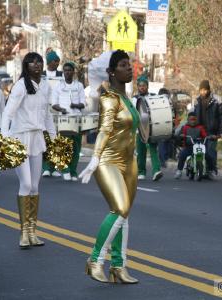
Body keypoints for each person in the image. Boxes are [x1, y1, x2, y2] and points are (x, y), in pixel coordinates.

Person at [79, 50, 139, 284]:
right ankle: (94, 261)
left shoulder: (127, 98)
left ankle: (118, 267)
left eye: (129, 64)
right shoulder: (109, 98)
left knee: (124, 215)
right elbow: (104, 130)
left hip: (129, 163)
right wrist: (94, 159)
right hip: (108, 161)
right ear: (112, 72)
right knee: (120, 208)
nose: (129, 68)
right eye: (124, 65)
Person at [1, 52, 56, 248]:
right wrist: (6, 139)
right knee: (25, 183)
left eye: (39, 61)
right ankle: (23, 233)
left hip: (37, 137)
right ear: (26, 66)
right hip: (19, 137)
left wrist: (54, 139)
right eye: (32, 62)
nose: (36, 65)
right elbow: (8, 113)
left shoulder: (46, 87)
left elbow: (47, 115)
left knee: (35, 185)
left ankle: (33, 231)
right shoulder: (20, 86)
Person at [51, 62, 86, 181]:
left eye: (69, 70)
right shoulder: (58, 86)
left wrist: (75, 105)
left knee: (76, 147)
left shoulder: (79, 86)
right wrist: (62, 109)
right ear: (63, 72)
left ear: (73, 72)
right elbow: (54, 104)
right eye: (65, 70)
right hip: (64, 120)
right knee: (65, 146)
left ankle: (73, 171)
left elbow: (83, 104)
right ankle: (65, 169)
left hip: (76, 119)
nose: (67, 72)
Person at [132, 76, 163, 181]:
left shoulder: (152, 97)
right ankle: (141, 172)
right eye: (140, 86)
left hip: (151, 128)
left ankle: (156, 171)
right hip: (139, 128)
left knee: (153, 149)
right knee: (141, 151)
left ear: (147, 86)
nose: (142, 88)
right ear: (137, 87)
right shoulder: (134, 99)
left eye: (144, 86)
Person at [194, 80, 222, 179]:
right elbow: (192, 116)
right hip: (200, 131)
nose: (203, 92)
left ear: (209, 90)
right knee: (199, 151)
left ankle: (212, 169)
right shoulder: (197, 101)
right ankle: (200, 169)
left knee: (210, 152)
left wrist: (220, 132)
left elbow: (221, 117)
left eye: (205, 90)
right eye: (201, 90)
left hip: (212, 131)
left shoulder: (216, 100)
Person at [42, 50, 63, 178]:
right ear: (49, 62)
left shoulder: (61, 75)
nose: (57, 63)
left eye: (58, 61)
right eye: (55, 61)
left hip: (58, 110)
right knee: (46, 138)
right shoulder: (42, 75)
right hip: (45, 109)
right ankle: (46, 168)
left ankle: (55, 167)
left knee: (57, 139)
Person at [174, 112, 207, 179]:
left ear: (196, 119)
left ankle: (210, 170)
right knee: (182, 155)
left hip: (198, 146)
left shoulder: (200, 127)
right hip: (189, 146)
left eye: (194, 119)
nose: (193, 121)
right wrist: (181, 135)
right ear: (188, 120)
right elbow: (180, 135)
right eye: (191, 119)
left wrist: (208, 137)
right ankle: (179, 170)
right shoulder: (185, 127)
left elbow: (205, 135)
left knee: (208, 156)